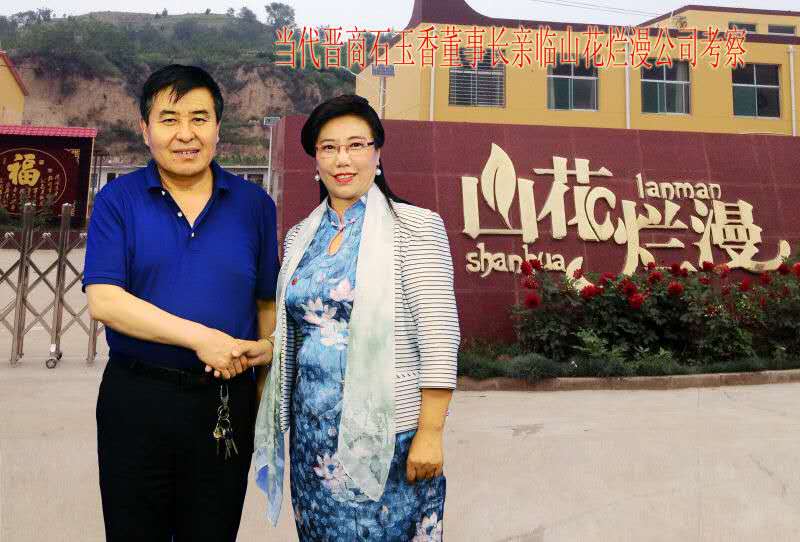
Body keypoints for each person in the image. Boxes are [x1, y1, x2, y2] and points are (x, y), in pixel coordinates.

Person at [83, 64, 277, 542]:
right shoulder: (117, 200)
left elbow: (266, 304)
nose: (186, 134)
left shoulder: (254, 206)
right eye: (169, 120)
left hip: (224, 403)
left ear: (218, 127)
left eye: (199, 118)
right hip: (137, 397)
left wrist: (263, 377)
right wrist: (201, 339)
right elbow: (105, 300)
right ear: (145, 129)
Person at [254, 94, 460, 541]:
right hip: (313, 441)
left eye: (356, 145)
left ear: (377, 153)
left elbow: (439, 335)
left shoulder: (415, 228)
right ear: (316, 159)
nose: (342, 159)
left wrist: (430, 432)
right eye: (329, 147)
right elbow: (299, 331)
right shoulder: (300, 237)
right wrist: (262, 350)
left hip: (388, 437)